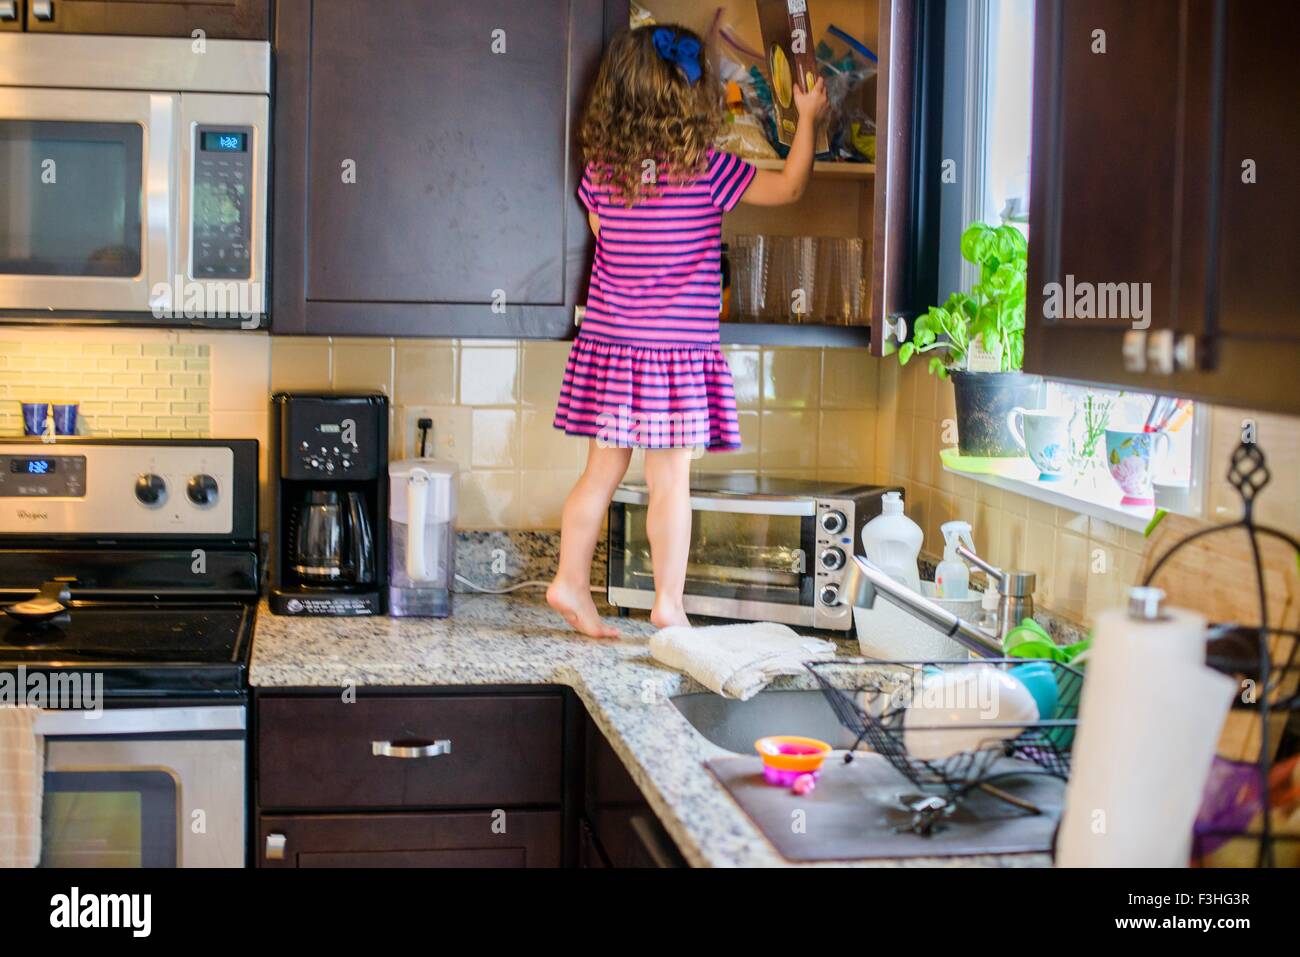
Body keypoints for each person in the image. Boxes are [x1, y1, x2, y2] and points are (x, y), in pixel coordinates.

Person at [547, 24, 829, 637]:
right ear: (693, 100)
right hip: (674, 352)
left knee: (600, 474)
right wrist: (806, 116)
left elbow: (602, 233)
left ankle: (570, 579)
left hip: (610, 346)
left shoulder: (601, 174)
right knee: (670, 480)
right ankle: (668, 604)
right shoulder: (711, 171)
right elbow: (792, 186)